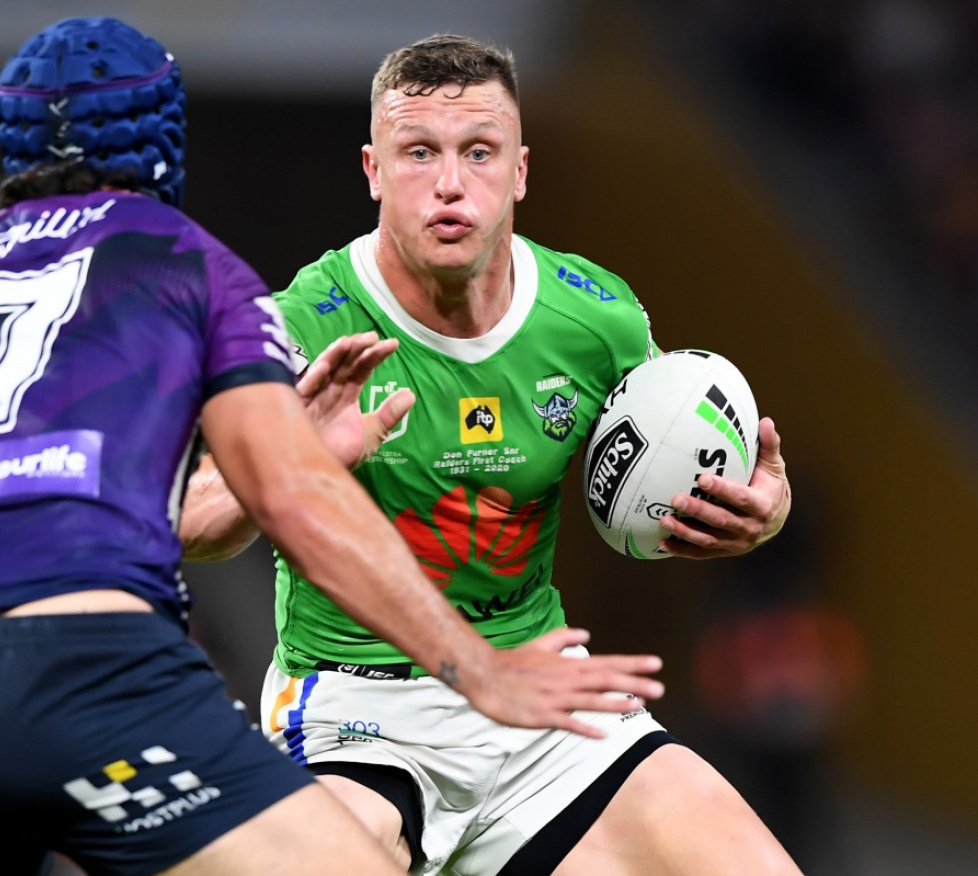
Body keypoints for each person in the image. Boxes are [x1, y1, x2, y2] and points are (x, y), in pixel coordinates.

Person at [0, 18, 668, 876]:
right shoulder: (194, 269)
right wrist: (477, 670)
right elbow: (292, 497)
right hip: (91, 673)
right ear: (163, 138)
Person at [178, 33, 798, 876]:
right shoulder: (300, 326)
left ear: (519, 171)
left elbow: (677, 464)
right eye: (417, 153)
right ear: (371, 170)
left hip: (537, 694)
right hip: (358, 709)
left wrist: (759, 515)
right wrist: (283, 473)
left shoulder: (595, 320)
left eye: (478, 153)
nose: (448, 184)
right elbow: (187, 525)